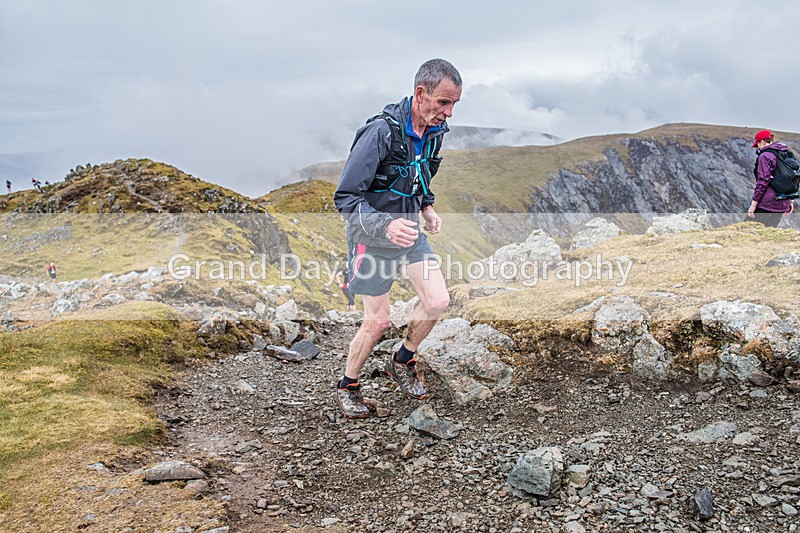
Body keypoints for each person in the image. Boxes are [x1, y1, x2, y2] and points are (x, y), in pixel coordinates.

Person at [332, 59, 461, 418]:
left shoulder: (434, 132)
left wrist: (427, 208)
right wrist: (385, 226)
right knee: (377, 321)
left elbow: (419, 177)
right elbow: (345, 198)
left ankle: (402, 359)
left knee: (436, 301)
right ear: (420, 93)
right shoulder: (380, 133)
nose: (448, 113)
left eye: (454, 105)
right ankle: (348, 385)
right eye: (442, 103)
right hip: (370, 238)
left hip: (409, 233)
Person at [747, 130, 795, 227]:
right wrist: (790, 200)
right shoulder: (785, 153)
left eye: (757, 145)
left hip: (767, 203)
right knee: (768, 233)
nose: (758, 148)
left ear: (762, 142)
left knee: (747, 230)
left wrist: (753, 205)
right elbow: (792, 177)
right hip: (782, 203)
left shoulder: (765, 156)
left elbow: (763, 181)